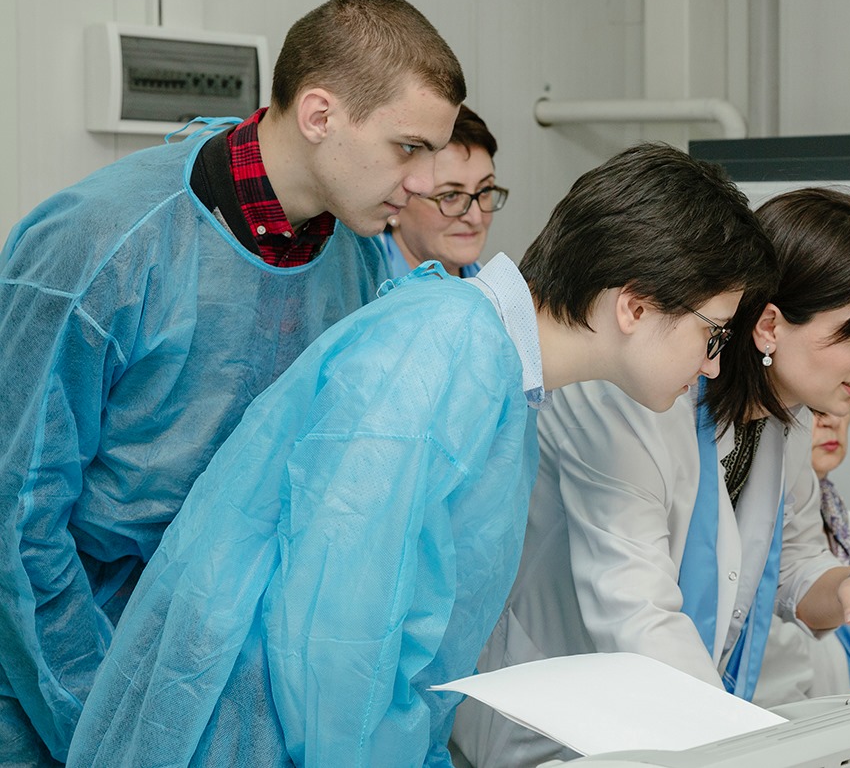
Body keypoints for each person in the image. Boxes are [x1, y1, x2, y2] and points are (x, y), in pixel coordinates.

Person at [64, 143, 775, 768]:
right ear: (635, 306)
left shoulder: (498, 370)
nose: (714, 364)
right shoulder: (450, 348)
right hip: (260, 733)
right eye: (713, 333)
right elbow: (335, 638)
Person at [0, 0, 465, 765]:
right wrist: (111, 731)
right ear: (319, 115)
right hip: (60, 687)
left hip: (225, 689)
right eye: (408, 147)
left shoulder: (355, 260)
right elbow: (17, 526)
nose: (423, 182)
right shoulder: (97, 246)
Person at [452, 186, 850, 768]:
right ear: (770, 326)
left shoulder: (783, 416)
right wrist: (741, 752)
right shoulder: (635, 396)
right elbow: (640, 616)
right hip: (556, 722)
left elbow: (792, 562)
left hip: (671, 716)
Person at [751, 409, 850, 707]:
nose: (831, 421)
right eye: (813, 410)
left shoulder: (848, 527)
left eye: (843, 408)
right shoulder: (757, 527)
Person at [383, 104, 503, 278]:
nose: (475, 218)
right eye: (450, 196)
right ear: (393, 202)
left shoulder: (490, 287)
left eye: (484, 190)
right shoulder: (362, 289)